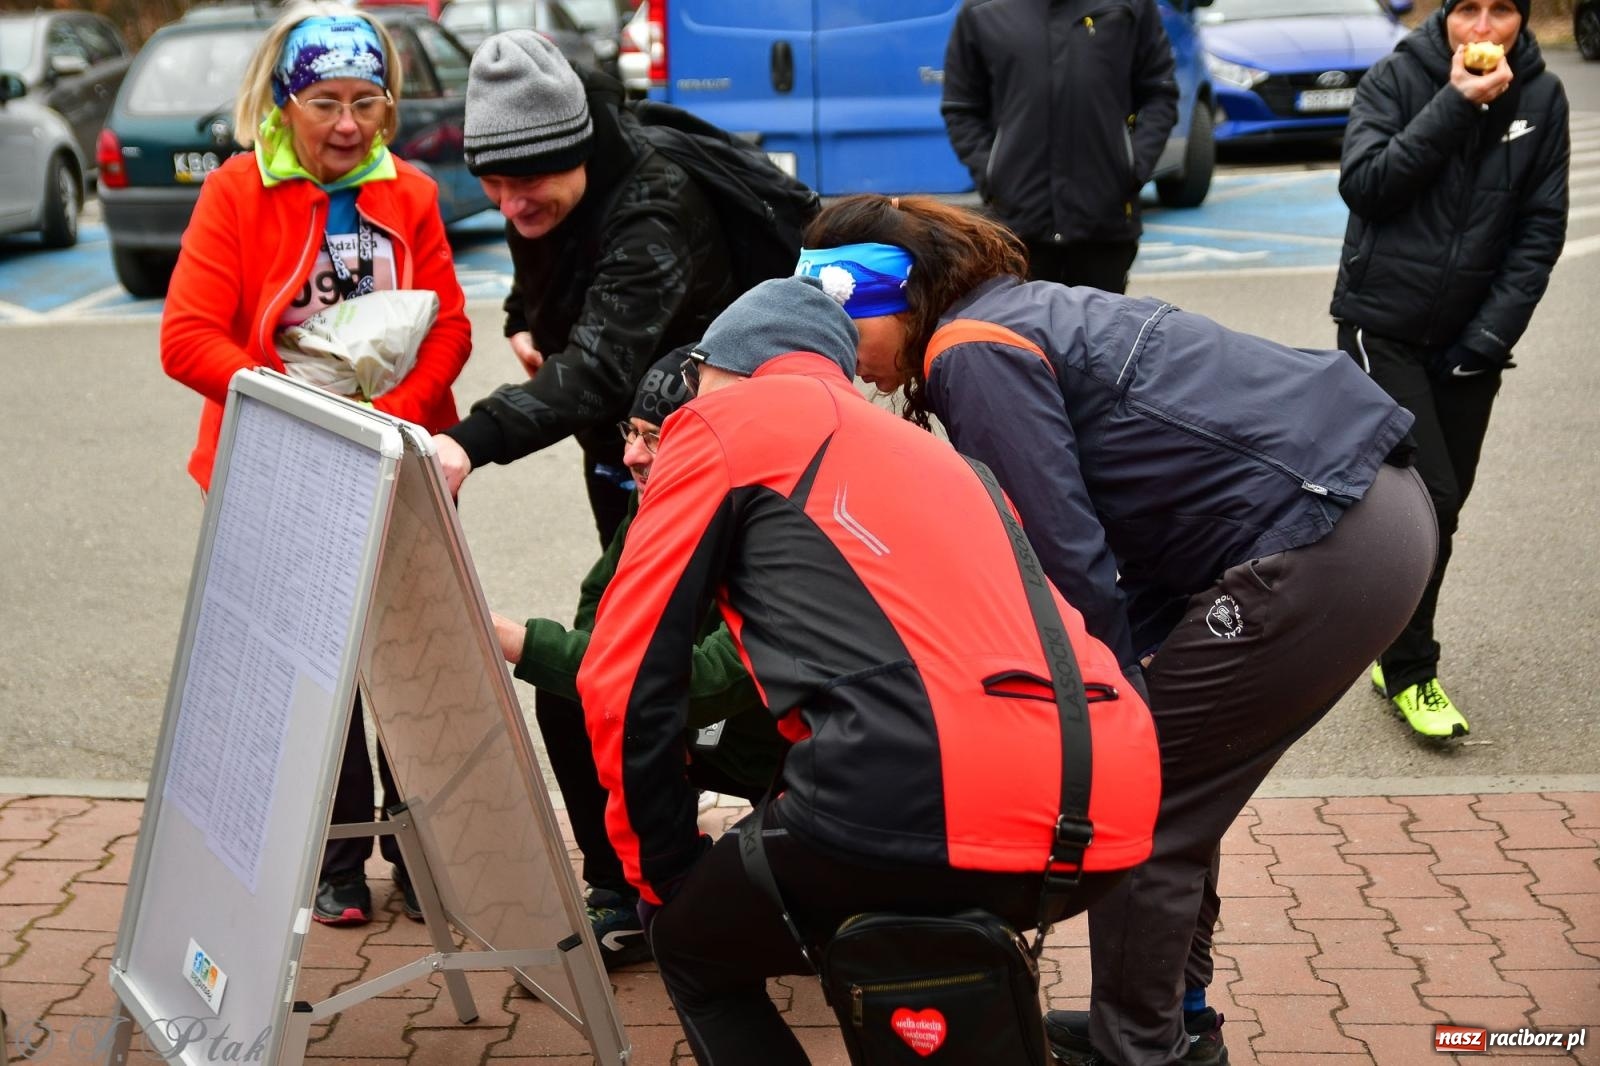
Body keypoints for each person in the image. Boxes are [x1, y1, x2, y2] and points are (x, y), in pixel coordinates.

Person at [795, 197, 1438, 1066]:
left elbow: (1063, 553)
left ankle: (1141, 1050)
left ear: (893, 297)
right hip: (1367, 515)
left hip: (1324, 542)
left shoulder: (970, 350)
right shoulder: (1013, 313)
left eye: (836, 323)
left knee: (1142, 801)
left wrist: (1095, 707)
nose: (839, 356)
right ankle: (1178, 1024)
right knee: (1178, 787)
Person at [576, 275, 1163, 1065]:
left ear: (723, 368)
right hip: (1110, 801)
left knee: (694, 943)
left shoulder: (723, 420)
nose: (686, 402)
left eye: (693, 379)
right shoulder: (945, 460)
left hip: (916, 784)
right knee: (909, 930)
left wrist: (660, 870)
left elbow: (625, 669)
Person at [160, 2, 472, 926]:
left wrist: (397, 418)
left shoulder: (408, 192)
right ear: (283, 102)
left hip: (395, 458)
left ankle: (419, 852)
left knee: (409, 663)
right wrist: (301, 411)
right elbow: (186, 340)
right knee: (313, 675)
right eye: (325, 102)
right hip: (279, 466)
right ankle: (333, 860)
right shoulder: (236, 191)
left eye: (366, 103)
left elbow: (449, 325)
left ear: (390, 104)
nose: (346, 125)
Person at [489, 348, 787, 969]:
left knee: (765, 920)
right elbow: (601, 606)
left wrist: (518, 641)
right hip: (699, 720)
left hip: (784, 748)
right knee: (574, 692)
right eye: (631, 432)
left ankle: (751, 878)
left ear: (709, 440)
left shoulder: (774, 525)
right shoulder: (659, 493)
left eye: (655, 437)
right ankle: (619, 891)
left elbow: (713, 680)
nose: (630, 455)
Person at [1331, 0, 1568, 739]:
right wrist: (1455, 104)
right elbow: (1367, 185)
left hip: (1470, 340)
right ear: (1447, 18)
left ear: (1522, 22)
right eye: (1470, 10)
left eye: (1504, 12)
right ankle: (1411, 671)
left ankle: (1386, 643)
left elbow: (1540, 227)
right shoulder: (1396, 79)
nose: (1485, 29)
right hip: (1383, 328)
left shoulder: (1543, 96)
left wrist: (1490, 337)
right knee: (1427, 493)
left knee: (1446, 502)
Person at [432, 32, 738, 545]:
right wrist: (520, 318)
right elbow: (544, 260)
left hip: (697, 449)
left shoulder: (654, 213)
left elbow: (599, 366)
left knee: (673, 609)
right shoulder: (548, 186)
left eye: (525, 183)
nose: (508, 206)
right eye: (493, 183)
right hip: (610, 440)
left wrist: (469, 442)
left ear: (578, 152)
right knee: (614, 592)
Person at [940, 0, 1178, 294]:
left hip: (1104, 224)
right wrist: (994, 175)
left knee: (1101, 337)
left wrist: (1131, 169)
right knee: (1025, 338)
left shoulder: (1130, 6)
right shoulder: (981, 10)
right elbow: (961, 107)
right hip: (1019, 227)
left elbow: (1160, 94)